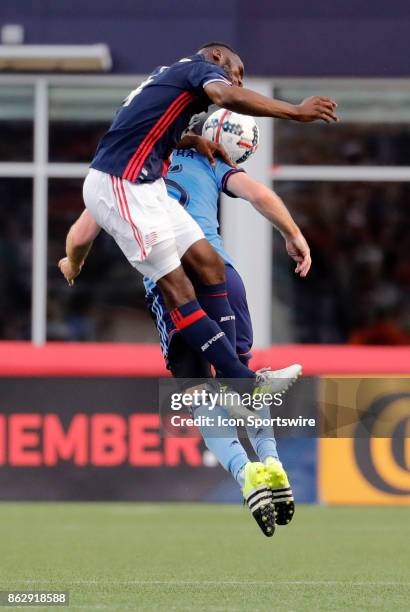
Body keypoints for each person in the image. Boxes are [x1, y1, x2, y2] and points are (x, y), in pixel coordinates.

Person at [68, 41, 337, 396]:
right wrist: (295, 112)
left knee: (210, 264)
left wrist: (190, 140)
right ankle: (243, 385)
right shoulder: (196, 69)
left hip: (146, 185)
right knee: (180, 291)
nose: (236, 85)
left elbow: (141, 129)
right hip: (121, 185)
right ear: (215, 58)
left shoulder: (165, 82)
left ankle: (236, 381)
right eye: (235, 75)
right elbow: (224, 98)